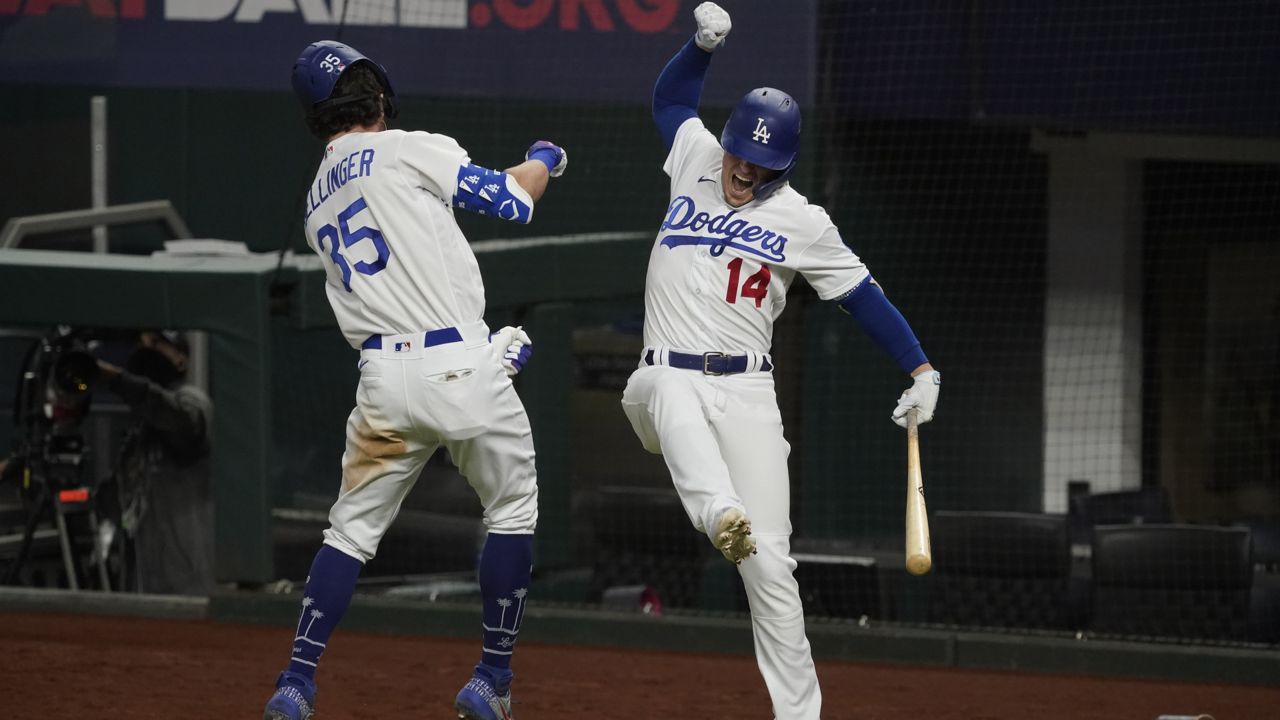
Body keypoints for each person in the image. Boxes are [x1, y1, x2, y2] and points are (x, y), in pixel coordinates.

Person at [619, 4, 941, 718]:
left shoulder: (802, 220)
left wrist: (921, 370)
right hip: (661, 381)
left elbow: (861, 297)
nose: (739, 169)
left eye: (757, 165)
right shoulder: (700, 158)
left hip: (746, 395)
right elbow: (671, 100)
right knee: (669, 391)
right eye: (738, 153)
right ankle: (716, 509)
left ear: (781, 169)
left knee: (771, 568)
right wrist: (703, 46)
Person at [262, 40, 565, 720]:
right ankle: (491, 679)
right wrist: (546, 158)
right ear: (375, 96)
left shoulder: (315, 200)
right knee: (513, 511)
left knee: (348, 534)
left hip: (382, 383)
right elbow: (512, 199)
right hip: (456, 364)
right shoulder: (405, 146)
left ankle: (296, 680)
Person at [95, 330, 214, 596]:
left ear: (181, 359)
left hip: (189, 584)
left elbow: (177, 418)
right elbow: (118, 504)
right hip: (144, 585)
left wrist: (117, 380)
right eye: (141, 342)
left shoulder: (194, 401)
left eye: (158, 343)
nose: (145, 349)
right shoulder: (142, 429)